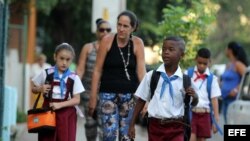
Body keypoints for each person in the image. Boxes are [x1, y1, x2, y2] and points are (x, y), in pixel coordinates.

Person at [88, 10, 146, 141]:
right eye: (119, 24)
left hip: (129, 96)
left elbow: (141, 72)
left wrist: (146, 98)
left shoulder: (138, 43)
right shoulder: (107, 41)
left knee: (126, 136)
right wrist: (93, 97)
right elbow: (97, 70)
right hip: (107, 94)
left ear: (133, 28)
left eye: (125, 26)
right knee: (109, 136)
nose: (121, 29)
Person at [128, 36, 198, 141]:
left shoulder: (186, 81)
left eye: (171, 49)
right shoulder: (152, 76)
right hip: (155, 127)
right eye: (164, 49)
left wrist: (195, 96)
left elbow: (193, 103)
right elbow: (141, 100)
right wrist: (132, 124)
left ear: (182, 55)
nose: (166, 52)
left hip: (177, 126)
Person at [31, 43, 85, 141]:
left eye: (68, 59)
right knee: (47, 138)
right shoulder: (46, 73)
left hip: (66, 114)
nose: (64, 62)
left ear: (72, 59)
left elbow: (77, 100)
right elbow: (33, 89)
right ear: (55, 56)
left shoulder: (73, 77)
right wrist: (40, 89)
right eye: (61, 58)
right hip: (47, 112)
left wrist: (60, 105)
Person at [76, 18, 111, 141]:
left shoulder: (112, 49)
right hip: (88, 92)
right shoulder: (88, 47)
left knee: (104, 126)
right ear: (97, 32)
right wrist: (73, 87)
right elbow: (80, 69)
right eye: (102, 30)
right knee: (90, 124)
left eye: (108, 30)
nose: (105, 32)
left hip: (106, 93)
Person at [186, 48, 221, 141]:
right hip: (191, 113)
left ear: (209, 62)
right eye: (199, 63)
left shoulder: (212, 79)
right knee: (191, 138)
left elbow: (214, 99)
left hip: (205, 114)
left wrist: (216, 120)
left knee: (202, 139)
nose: (201, 66)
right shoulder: (188, 74)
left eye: (205, 64)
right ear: (195, 59)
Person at [220, 41, 248, 124]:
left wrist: (236, 90)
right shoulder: (228, 65)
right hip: (225, 99)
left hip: (233, 101)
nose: (225, 50)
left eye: (226, 48)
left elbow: (247, 79)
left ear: (230, 50)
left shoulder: (238, 64)